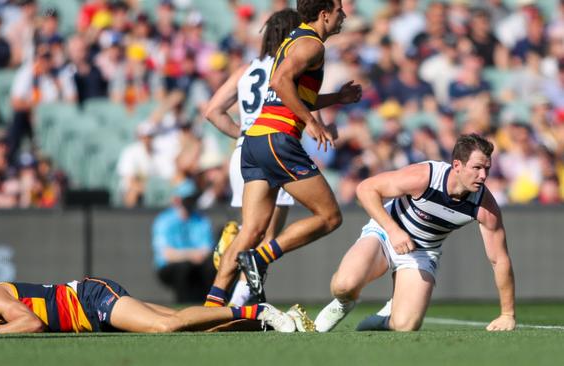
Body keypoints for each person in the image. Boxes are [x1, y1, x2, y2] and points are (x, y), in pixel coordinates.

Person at [203, 0, 362, 308]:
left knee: (250, 230)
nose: (344, 15)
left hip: (254, 142)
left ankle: (211, 306)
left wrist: (336, 98)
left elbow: (286, 93)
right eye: (340, 10)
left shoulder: (295, 39)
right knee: (329, 217)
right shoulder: (312, 45)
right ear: (324, 13)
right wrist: (312, 122)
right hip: (279, 140)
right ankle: (259, 258)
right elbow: (278, 82)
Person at [314, 134, 516, 332]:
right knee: (344, 285)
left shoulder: (485, 206)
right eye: (477, 168)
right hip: (385, 234)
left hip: (422, 252)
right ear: (457, 165)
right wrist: (393, 230)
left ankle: (385, 317)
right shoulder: (424, 177)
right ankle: (343, 303)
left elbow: (499, 260)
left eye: (486, 169)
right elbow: (365, 189)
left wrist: (507, 315)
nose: (483, 176)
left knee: (406, 325)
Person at [204, 9, 302, 307]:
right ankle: (239, 300)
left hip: (245, 151)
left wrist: (241, 135)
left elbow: (212, 111)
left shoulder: (246, 69)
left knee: (252, 231)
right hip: (275, 148)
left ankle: (223, 296)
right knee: (268, 237)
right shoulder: (289, 67)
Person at [0, 276, 296, 334]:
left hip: (89, 299)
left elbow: (31, 323)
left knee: (166, 327)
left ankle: (258, 310)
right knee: (182, 321)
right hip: (90, 314)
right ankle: (265, 321)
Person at [152, 179, 216, 303]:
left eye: (193, 198)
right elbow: (167, 255)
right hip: (171, 268)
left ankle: (210, 304)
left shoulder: (201, 219)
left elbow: (208, 249)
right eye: (188, 198)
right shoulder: (164, 220)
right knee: (184, 268)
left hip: (199, 264)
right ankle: (183, 305)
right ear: (177, 200)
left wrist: (197, 256)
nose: (191, 202)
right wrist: (191, 255)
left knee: (211, 267)